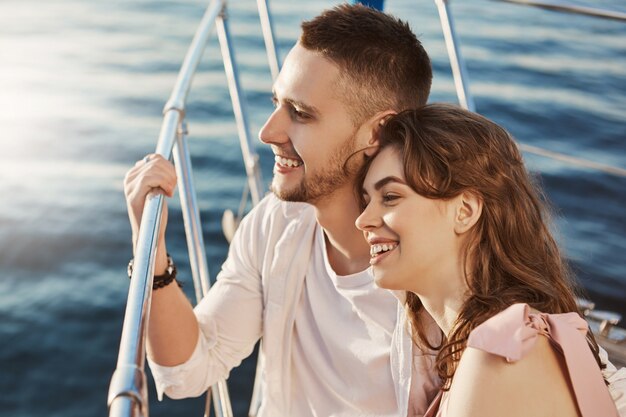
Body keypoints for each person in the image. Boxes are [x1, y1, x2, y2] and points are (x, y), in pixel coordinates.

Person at [124, 4, 440, 416]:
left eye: (301, 114)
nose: (268, 132)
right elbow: (188, 369)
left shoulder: (441, 277)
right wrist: (153, 251)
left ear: (377, 131)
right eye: (277, 102)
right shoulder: (279, 220)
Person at [356, 103, 626, 417]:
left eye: (389, 196)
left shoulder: (499, 358)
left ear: (465, 211)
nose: (363, 220)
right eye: (365, 201)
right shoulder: (486, 348)